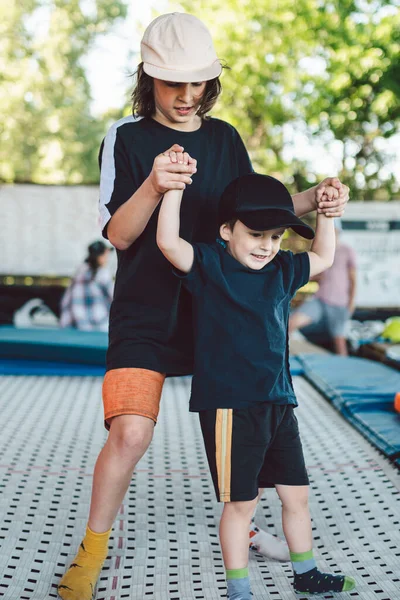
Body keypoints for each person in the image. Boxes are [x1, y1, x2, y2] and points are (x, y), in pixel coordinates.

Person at [57, 12, 350, 600]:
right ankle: (92, 551)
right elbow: (118, 234)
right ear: (148, 77)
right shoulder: (127, 138)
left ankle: (246, 520)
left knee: (247, 431)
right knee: (132, 434)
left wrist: (312, 201)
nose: (188, 96)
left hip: (221, 317)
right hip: (145, 314)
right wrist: (156, 184)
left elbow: (255, 213)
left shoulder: (224, 139)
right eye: (174, 84)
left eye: (198, 84)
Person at [157, 170, 356, 599]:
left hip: (279, 401)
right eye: (256, 234)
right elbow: (169, 243)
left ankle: (307, 575)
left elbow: (321, 257)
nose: (266, 245)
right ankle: (239, 589)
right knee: (241, 505)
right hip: (230, 405)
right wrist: (172, 190)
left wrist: (326, 213)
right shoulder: (211, 264)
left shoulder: (282, 268)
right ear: (227, 230)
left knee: (296, 496)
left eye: (276, 236)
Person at [289, 219, 357, 355]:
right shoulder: (321, 251)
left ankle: (345, 371)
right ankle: (288, 356)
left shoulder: (347, 250)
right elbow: (314, 274)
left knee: (339, 342)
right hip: (321, 299)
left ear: (338, 232)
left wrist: (351, 303)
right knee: (291, 323)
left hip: (340, 302)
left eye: (334, 232)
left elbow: (353, 280)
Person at [59, 240, 114, 332]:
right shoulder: (103, 274)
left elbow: (66, 301)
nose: (107, 258)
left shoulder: (79, 272)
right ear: (100, 257)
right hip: (99, 327)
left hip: (76, 326)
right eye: (106, 254)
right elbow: (114, 298)